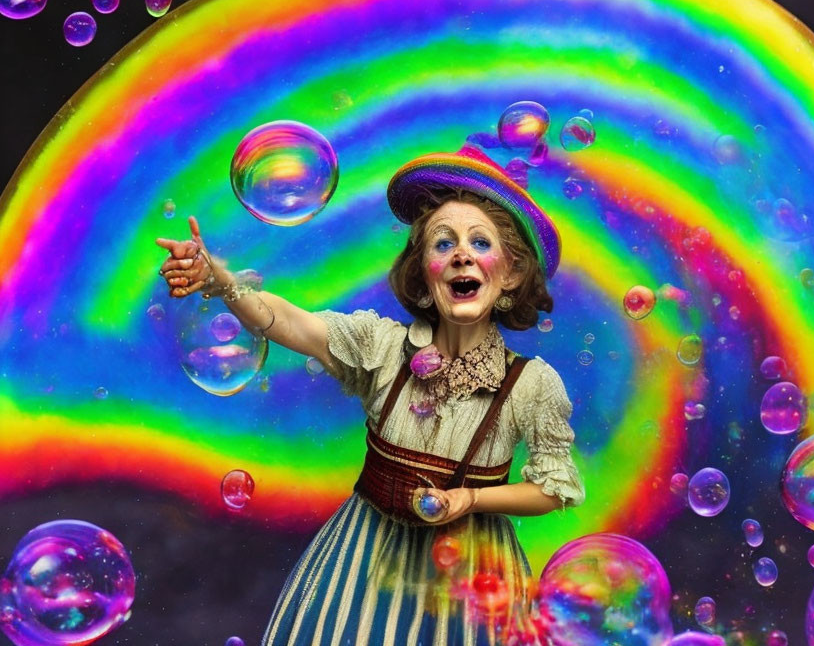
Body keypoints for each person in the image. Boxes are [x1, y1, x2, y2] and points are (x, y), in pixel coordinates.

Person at [157, 145, 584, 646]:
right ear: (424, 278)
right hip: (362, 567)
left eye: (480, 242)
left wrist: (469, 499)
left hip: (473, 582)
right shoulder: (381, 348)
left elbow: (553, 490)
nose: (462, 254)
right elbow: (289, 322)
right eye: (443, 244)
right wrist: (220, 279)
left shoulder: (531, 384)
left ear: (510, 276)